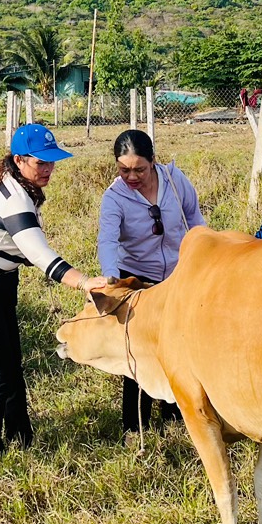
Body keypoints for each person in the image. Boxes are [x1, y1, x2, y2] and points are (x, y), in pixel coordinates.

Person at [0, 123, 108, 457]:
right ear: (19, 160)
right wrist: (84, 281)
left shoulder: (16, 185)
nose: (48, 168)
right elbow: (38, 254)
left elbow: (26, 250)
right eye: (40, 162)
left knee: (12, 367)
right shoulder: (15, 198)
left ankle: (22, 438)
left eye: (51, 161)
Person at [96, 129, 207, 436]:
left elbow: (194, 219)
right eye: (124, 170)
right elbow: (107, 238)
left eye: (139, 169)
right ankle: (135, 426)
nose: (132, 176)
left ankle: (174, 416)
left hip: (177, 275)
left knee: (178, 348)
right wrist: (111, 276)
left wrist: (207, 254)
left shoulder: (174, 180)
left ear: (153, 162)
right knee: (139, 353)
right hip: (137, 279)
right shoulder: (114, 197)